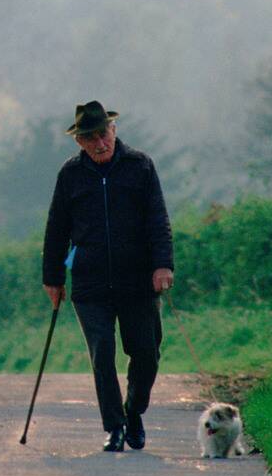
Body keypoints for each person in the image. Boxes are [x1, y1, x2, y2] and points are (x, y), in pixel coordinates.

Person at [42, 100, 174, 452]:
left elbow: (158, 220)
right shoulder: (69, 175)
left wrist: (163, 265)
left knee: (146, 353)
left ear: (114, 130)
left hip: (137, 280)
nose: (100, 143)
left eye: (104, 134)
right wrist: (53, 279)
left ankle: (133, 411)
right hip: (90, 283)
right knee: (102, 354)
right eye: (90, 138)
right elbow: (57, 229)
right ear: (79, 142)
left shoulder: (140, 166)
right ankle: (114, 426)